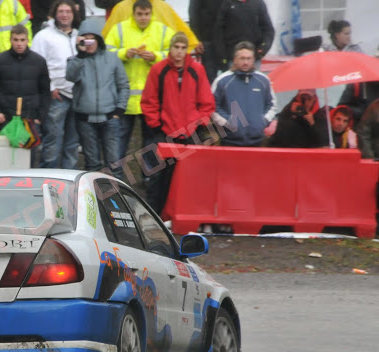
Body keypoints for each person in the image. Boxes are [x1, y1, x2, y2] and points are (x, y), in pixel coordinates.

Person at [141, 31, 215, 214]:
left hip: (191, 133)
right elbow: (149, 100)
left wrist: (198, 125)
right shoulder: (158, 70)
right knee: (158, 178)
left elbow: (206, 102)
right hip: (164, 132)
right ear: (170, 48)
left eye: (183, 48)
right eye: (176, 47)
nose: (179, 52)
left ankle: (186, 214)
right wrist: (156, 125)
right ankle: (156, 216)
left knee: (191, 178)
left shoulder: (197, 70)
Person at [105, 0, 173, 160]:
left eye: (146, 14)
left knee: (150, 141)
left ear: (151, 13)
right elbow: (106, 53)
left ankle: (148, 178)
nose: (143, 17)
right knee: (120, 140)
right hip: (125, 98)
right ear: (133, 14)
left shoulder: (163, 30)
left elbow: (174, 54)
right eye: (140, 14)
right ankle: (116, 176)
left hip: (151, 98)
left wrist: (155, 56)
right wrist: (124, 53)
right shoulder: (119, 29)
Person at [65, 20, 129, 178]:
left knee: (115, 165)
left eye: (92, 39)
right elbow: (70, 77)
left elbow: (123, 85)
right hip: (85, 120)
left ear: (99, 39)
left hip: (110, 119)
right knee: (92, 165)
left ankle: (115, 199)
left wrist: (119, 110)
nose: (89, 43)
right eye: (85, 39)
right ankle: (93, 200)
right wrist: (80, 55)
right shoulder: (75, 60)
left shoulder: (112, 58)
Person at [0, 24, 50, 157]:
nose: (19, 44)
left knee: (29, 157)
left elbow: (45, 92)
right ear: (10, 40)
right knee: (3, 157)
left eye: (22, 40)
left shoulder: (39, 62)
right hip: (5, 118)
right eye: (16, 40)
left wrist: (40, 116)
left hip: (30, 119)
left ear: (27, 40)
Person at [31, 0, 79, 170]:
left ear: (74, 14)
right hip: (56, 96)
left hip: (78, 98)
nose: (64, 15)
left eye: (68, 11)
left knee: (73, 143)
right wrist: (50, 88)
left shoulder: (80, 36)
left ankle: (70, 180)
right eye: (61, 11)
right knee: (53, 140)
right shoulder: (43, 36)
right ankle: (48, 179)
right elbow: (36, 65)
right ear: (55, 13)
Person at [212, 41, 276, 147]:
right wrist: (228, 123)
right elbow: (213, 107)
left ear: (253, 60)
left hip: (257, 142)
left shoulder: (263, 80)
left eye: (248, 58)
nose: (245, 62)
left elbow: (272, 104)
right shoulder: (222, 81)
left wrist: (263, 121)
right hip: (229, 142)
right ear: (235, 60)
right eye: (242, 58)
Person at [214, 0, 273, 72]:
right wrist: (222, 54)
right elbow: (218, 31)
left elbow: (268, 30)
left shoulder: (258, 3)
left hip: (254, 57)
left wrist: (264, 48)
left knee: (253, 82)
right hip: (232, 57)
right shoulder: (227, 4)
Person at [188, 0, 222, 84]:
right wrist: (196, 39)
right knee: (209, 77)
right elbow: (193, 14)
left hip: (226, 42)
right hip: (206, 41)